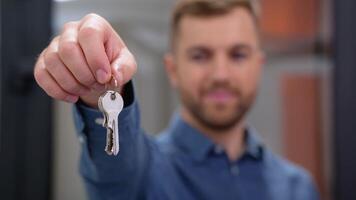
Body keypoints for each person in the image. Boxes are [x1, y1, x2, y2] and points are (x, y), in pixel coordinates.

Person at [34, 0, 319, 199]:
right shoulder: (142, 175)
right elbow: (115, 169)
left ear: (259, 64)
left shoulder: (298, 188)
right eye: (200, 55)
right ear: (173, 70)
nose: (220, 74)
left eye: (238, 55)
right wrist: (99, 87)